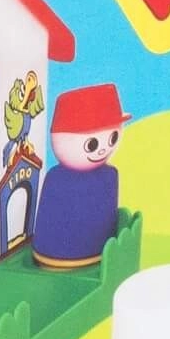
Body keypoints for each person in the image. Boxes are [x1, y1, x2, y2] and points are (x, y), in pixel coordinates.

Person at [33, 83, 129, 269]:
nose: (102, 150)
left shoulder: (109, 175)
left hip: (101, 257)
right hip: (52, 258)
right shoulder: (58, 180)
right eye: (92, 145)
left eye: (112, 138)